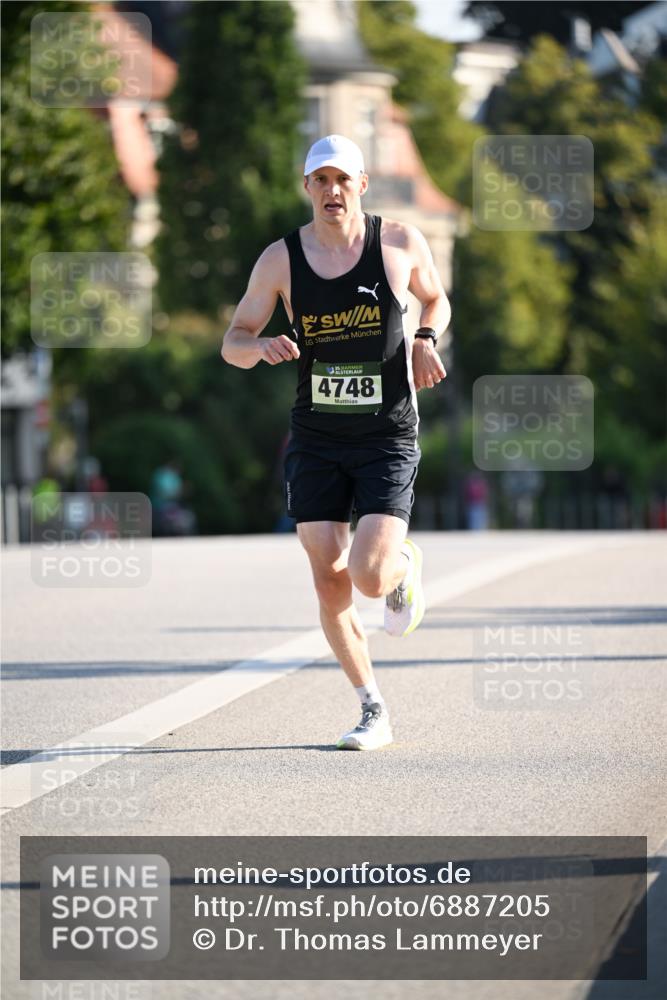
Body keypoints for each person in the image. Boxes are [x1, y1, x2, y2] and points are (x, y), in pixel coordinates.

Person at [222, 134, 450, 750]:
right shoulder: (280, 260)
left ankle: (403, 565)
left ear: (361, 184)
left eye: (342, 179)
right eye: (320, 181)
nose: (332, 191)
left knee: (370, 579)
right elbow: (233, 340)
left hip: (386, 434)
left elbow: (435, 296)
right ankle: (371, 706)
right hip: (316, 437)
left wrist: (426, 337)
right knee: (328, 575)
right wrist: (259, 346)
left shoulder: (399, 242)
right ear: (307, 189)